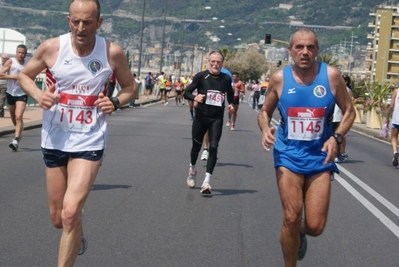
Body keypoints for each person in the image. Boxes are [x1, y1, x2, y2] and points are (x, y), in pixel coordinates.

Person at [17, 0, 137, 266]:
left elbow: (130, 87)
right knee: (58, 218)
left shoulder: (112, 53)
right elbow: (25, 75)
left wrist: (115, 101)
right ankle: (76, 233)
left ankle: (73, 232)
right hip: (54, 138)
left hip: (89, 139)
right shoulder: (51, 48)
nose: (81, 28)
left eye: (88, 22)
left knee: (71, 213)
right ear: (68, 20)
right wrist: (38, 94)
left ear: (99, 22)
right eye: (76, 21)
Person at [257, 28, 355, 266]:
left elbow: (350, 111)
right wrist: (265, 129)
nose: (305, 52)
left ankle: (298, 232)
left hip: (319, 159)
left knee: (315, 226)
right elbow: (264, 111)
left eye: (310, 47)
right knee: (291, 216)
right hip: (288, 155)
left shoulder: (331, 76)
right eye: (299, 47)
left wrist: (337, 137)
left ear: (317, 50)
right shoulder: (280, 78)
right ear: (290, 51)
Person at [184, 50, 234, 195]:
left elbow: (230, 94)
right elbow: (187, 92)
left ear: (222, 64)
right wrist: (195, 98)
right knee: (196, 147)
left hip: (216, 118)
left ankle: (206, 182)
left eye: (218, 62)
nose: (215, 64)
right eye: (213, 61)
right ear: (209, 62)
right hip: (201, 117)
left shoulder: (225, 79)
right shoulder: (201, 76)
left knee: (213, 147)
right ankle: (192, 169)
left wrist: (231, 104)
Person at [0, 44, 28, 151]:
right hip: (11, 93)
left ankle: (16, 140)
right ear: (16, 53)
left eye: (23, 53)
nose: (20, 55)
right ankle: (19, 131)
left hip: (22, 93)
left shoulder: (28, 64)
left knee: (18, 116)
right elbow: (1, 74)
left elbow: (31, 77)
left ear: (25, 54)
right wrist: (15, 77)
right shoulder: (11, 62)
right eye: (19, 52)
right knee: (13, 118)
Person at [333, 74, 354, 163]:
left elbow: (349, 105)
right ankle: (339, 153)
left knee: (338, 136)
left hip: (339, 115)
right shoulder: (336, 88)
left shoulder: (347, 91)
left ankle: (339, 154)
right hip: (333, 115)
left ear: (346, 81)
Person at [386, 85, 399, 167]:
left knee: (393, 138)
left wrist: (387, 117)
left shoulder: (396, 91)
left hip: (396, 120)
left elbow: (391, 106)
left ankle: (395, 152)